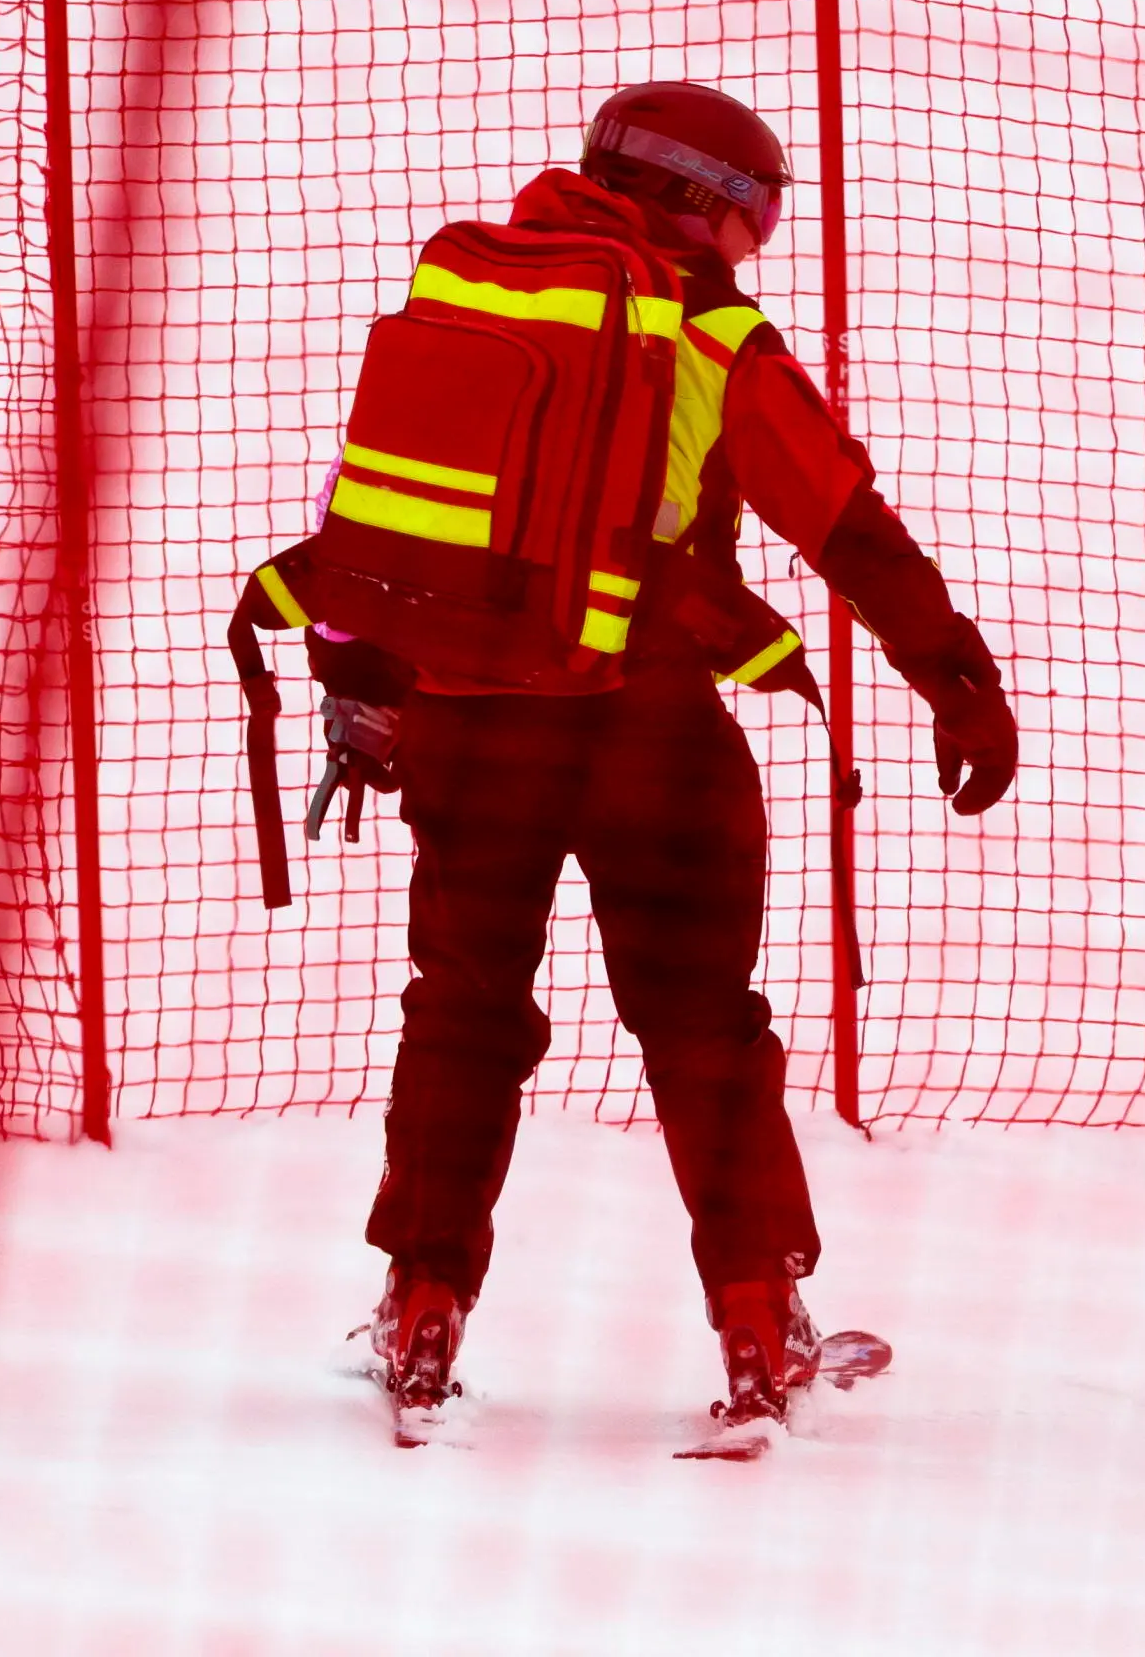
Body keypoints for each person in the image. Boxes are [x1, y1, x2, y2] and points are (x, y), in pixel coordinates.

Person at [278, 83, 1020, 1440]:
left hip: (466, 714)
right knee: (701, 1026)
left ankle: (421, 1304)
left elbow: (388, 516)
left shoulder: (467, 291)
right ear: (691, 202)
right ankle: (755, 1320)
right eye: (748, 220)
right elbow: (845, 523)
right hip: (653, 730)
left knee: (462, 1010)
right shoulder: (707, 332)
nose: (750, 249)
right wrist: (958, 681)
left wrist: (365, 680)